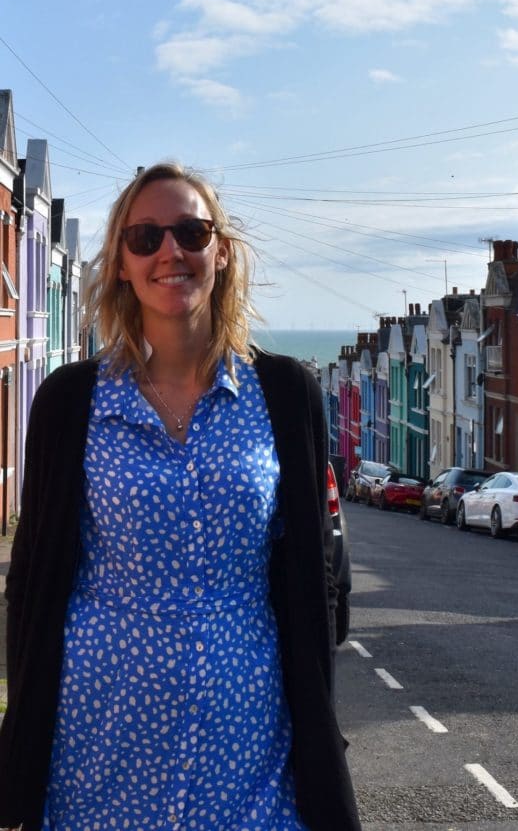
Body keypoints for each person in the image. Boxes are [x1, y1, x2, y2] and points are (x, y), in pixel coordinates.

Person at [0, 162, 361, 831]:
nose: (170, 251)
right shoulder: (70, 402)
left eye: (191, 231)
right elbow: (31, 585)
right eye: (145, 237)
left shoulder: (284, 394)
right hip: (95, 751)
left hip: (250, 752)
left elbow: (315, 575)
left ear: (220, 252)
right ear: (121, 265)